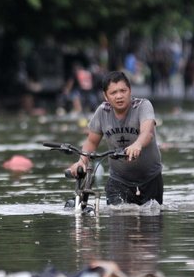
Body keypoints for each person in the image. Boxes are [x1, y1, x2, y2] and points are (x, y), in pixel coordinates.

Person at [68, 71, 163, 206]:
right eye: (113, 93)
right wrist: (81, 161)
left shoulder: (143, 106)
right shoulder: (102, 112)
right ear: (105, 96)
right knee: (117, 217)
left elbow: (147, 133)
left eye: (123, 91)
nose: (119, 96)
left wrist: (137, 145)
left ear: (130, 91)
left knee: (151, 221)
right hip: (118, 180)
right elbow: (91, 141)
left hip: (150, 178)